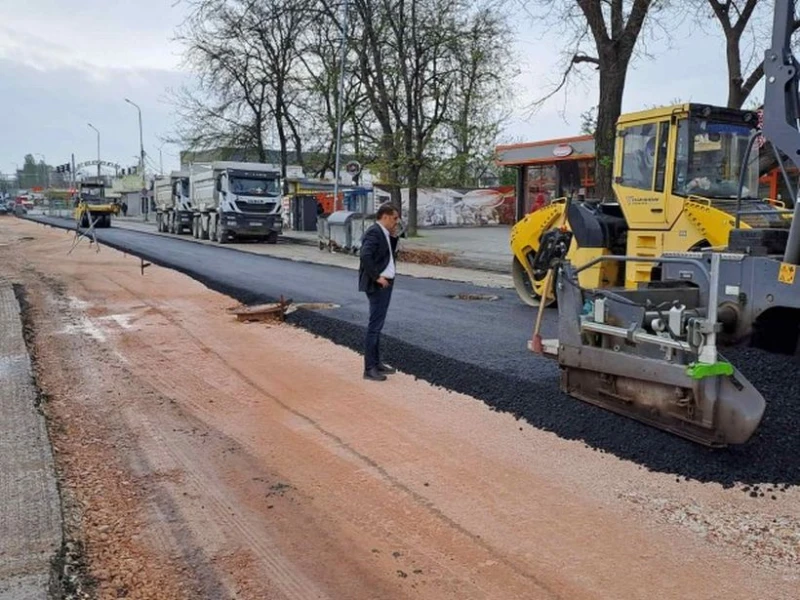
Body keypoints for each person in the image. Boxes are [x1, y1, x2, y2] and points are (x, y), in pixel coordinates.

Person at [358, 203, 400, 381]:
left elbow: (385, 255)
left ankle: (377, 363)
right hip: (377, 285)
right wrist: (377, 277)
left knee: (378, 326)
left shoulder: (383, 233)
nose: (396, 222)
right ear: (385, 216)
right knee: (374, 327)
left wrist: (393, 237)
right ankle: (369, 369)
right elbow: (365, 255)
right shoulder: (374, 232)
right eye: (394, 218)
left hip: (385, 283)